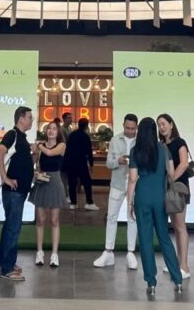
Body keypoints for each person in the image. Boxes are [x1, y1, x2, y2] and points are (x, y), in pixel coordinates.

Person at [127, 117, 183, 297]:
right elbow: (172, 173)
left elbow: (133, 179)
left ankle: (151, 282)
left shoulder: (135, 151)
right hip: (160, 198)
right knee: (164, 237)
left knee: (145, 240)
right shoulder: (164, 148)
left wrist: (129, 203)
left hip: (142, 197)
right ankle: (178, 280)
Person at [94, 113, 139, 270]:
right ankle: (108, 252)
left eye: (133, 128)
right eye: (127, 128)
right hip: (117, 183)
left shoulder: (140, 142)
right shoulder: (115, 140)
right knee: (112, 216)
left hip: (135, 184)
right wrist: (118, 161)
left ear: (137, 128)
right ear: (123, 125)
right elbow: (108, 163)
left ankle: (131, 252)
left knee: (132, 217)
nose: (130, 131)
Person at [0, 105, 34, 282]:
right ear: (21, 118)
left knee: (10, 226)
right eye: (29, 117)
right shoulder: (12, 134)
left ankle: (5, 262)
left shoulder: (22, 138)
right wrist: (5, 177)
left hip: (19, 191)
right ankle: (7, 268)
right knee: (13, 228)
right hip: (13, 192)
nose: (31, 120)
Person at [157, 113, 191, 277]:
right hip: (167, 190)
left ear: (171, 124)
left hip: (178, 189)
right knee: (175, 228)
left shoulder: (180, 142)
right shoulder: (160, 145)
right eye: (159, 125)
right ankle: (178, 263)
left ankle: (184, 266)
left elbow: (184, 164)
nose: (161, 127)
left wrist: (171, 180)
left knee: (180, 226)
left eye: (164, 124)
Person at [29, 120, 66, 267]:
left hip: (55, 181)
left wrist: (38, 146)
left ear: (58, 132)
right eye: (49, 128)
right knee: (40, 219)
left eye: (54, 129)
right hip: (42, 181)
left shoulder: (61, 145)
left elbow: (50, 153)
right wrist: (34, 152)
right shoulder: (41, 146)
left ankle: (55, 254)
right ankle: (39, 252)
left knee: (54, 220)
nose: (51, 131)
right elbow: (34, 161)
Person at [62, 117, 97, 210]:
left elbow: (67, 149)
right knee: (87, 182)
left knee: (72, 183)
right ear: (86, 126)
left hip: (70, 162)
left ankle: (73, 203)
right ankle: (89, 202)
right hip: (81, 162)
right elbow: (89, 152)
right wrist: (91, 164)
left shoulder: (72, 135)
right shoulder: (85, 137)